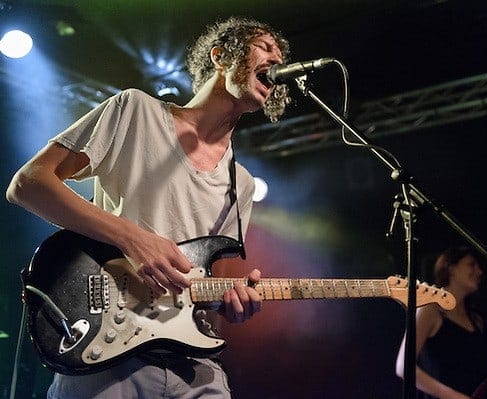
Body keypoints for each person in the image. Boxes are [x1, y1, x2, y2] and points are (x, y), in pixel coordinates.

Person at [6, 16, 291, 398]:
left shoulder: (243, 183)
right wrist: (134, 239)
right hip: (107, 353)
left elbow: (203, 283)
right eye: (265, 46)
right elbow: (28, 184)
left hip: (193, 367)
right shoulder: (135, 111)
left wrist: (233, 303)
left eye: (281, 53)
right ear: (221, 56)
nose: (277, 58)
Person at [395, 246, 487, 399]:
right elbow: (403, 367)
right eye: (472, 264)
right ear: (451, 268)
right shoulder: (429, 310)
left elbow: (483, 385)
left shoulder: (476, 320)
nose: (479, 272)